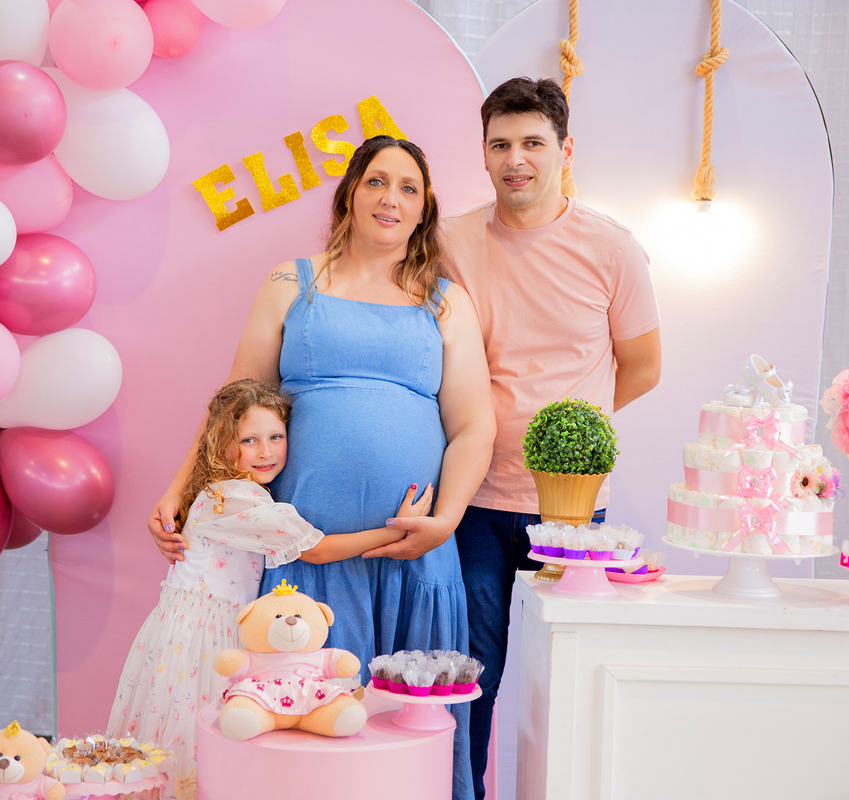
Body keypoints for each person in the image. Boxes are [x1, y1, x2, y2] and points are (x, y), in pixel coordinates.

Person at [148, 137, 496, 800]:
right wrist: (177, 492)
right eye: (376, 182)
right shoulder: (292, 282)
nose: (390, 198)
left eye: (408, 188)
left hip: (413, 559)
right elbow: (236, 399)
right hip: (303, 564)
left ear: (424, 210)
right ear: (349, 194)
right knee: (302, 736)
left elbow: (475, 424)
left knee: (404, 739)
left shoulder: (446, 302)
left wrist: (445, 520)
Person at [440, 77, 662, 800]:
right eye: (501, 144)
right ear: (482, 153)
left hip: (569, 515)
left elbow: (644, 367)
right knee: (471, 672)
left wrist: (574, 433)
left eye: (533, 143)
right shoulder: (450, 243)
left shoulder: (612, 247)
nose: (516, 160)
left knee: (562, 672)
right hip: (471, 500)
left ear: (564, 151)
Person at [111, 378, 431, 797]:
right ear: (222, 446)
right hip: (202, 636)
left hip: (191, 625)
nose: (265, 451)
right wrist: (393, 532)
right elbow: (315, 550)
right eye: (249, 440)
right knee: (201, 737)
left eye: (276, 437)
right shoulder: (237, 498)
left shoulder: (231, 492)